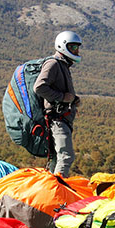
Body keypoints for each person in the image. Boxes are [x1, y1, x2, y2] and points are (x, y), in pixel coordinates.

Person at [33, 31, 82, 177]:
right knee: (66, 157)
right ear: (63, 46)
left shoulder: (63, 65)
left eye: (77, 48)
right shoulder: (53, 64)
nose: (76, 51)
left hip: (61, 119)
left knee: (56, 158)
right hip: (57, 119)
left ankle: (49, 191)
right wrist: (62, 98)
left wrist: (73, 99)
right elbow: (39, 87)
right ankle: (58, 195)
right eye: (73, 47)